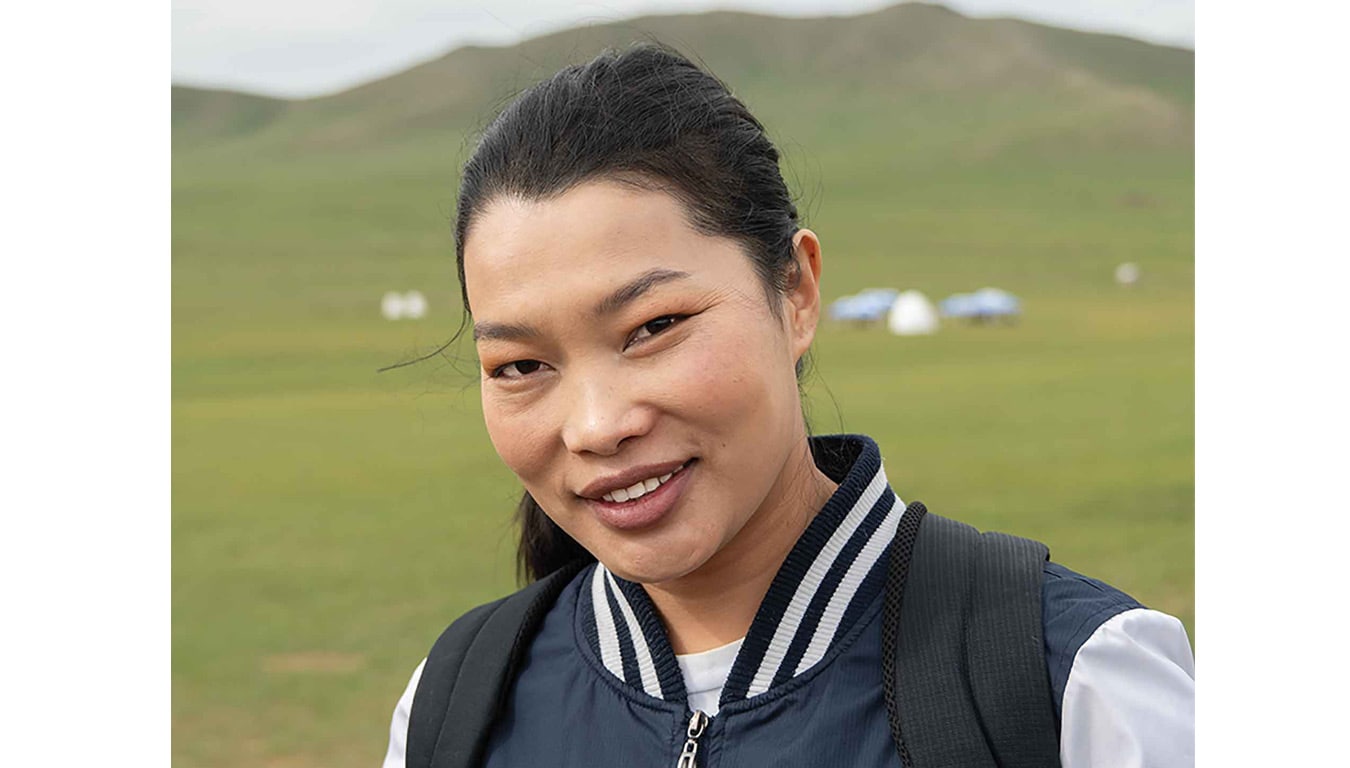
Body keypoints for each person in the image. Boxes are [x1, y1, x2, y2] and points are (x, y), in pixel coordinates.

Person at [382, 44, 1194, 768]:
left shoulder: (1076, 689)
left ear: (796, 291)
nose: (596, 426)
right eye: (520, 364)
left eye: (653, 327)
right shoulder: (456, 709)